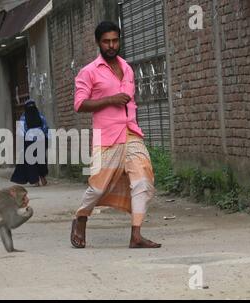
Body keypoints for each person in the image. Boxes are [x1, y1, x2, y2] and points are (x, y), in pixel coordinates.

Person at [70, 21, 161, 249]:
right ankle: (81, 217)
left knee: (143, 181)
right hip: (107, 135)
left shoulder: (127, 68)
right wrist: (110, 100)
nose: (111, 45)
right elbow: (79, 104)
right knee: (98, 187)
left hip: (131, 132)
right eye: (106, 41)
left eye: (115, 40)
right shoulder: (89, 72)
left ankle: (136, 235)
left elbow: (131, 102)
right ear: (98, 43)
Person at [10, 99, 49, 187]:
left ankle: (35, 181)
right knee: (41, 160)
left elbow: (20, 132)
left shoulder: (23, 118)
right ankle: (43, 178)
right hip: (40, 140)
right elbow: (46, 128)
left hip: (29, 142)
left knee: (31, 162)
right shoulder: (40, 116)